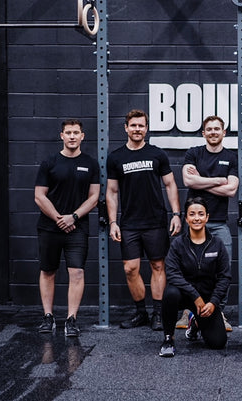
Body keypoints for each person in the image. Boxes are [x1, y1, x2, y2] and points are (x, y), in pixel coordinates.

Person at [106, 109, 182, 331]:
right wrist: (113, 222)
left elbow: (170, 185)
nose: (137, 129)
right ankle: (141, 313)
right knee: (130, 268)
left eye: (141, 126)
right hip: (129, 223)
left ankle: (158, 314)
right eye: (133, 125)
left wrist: (176, 214)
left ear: (146, 129)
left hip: (156, 221)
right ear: (126, 128)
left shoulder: (157, 154)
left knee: (158, 265)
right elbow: (111, 192)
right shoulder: (116, 157)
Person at [34, 119, 100, 337]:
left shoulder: (91, 163)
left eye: (76, 133)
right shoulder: (49, 162)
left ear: (83, 136)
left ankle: (71, 319)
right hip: (49, 227)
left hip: (77, 228)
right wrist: (58, 218)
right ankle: (48, 317)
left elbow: (94, 197)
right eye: (68, 133)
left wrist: (73, 217)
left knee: (77, 272)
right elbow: (39, 196)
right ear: (61, 136)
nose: (72, 136)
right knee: (48, 271)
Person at [179, 115, 238, 332]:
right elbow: (187, 180)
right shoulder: (194, 153)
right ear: (203, 133)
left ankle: (218, 313)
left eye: (217, 129)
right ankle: (189, 312)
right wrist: (217, 180)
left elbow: (232, 189)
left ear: (224, 132)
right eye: (209, 129)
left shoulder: (231, 157)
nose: (213, 132)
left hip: (219, 223)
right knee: (189, 269)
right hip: (193, 224)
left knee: (223, 270)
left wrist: (201, 181)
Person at [159, 197, 231, 357]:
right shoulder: (178, 244)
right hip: (184, 295)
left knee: (218, 343)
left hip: (206, 300)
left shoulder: (217, 244)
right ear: (186, 218)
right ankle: (168, 339)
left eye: (200, 214)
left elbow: (225, 277)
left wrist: (213, 302)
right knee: (170, 293)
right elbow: (172, 274)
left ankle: (195, 323)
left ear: (207, 217)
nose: (196, 218)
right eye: (192, 214)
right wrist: (194, 296)